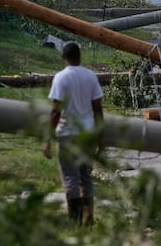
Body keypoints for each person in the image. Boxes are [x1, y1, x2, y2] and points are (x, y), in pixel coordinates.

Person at [43, 42, 104, 226]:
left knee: (71, 178)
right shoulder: (90, 76)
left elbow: (55, 111)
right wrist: (101, 138)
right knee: (86, 177)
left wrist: (47, 139)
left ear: (64, 57)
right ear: (80, 56)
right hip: (87, 133)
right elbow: (98, 110)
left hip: (68, 134)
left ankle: (75, 220)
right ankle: (88, 218)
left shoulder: (61, 78)